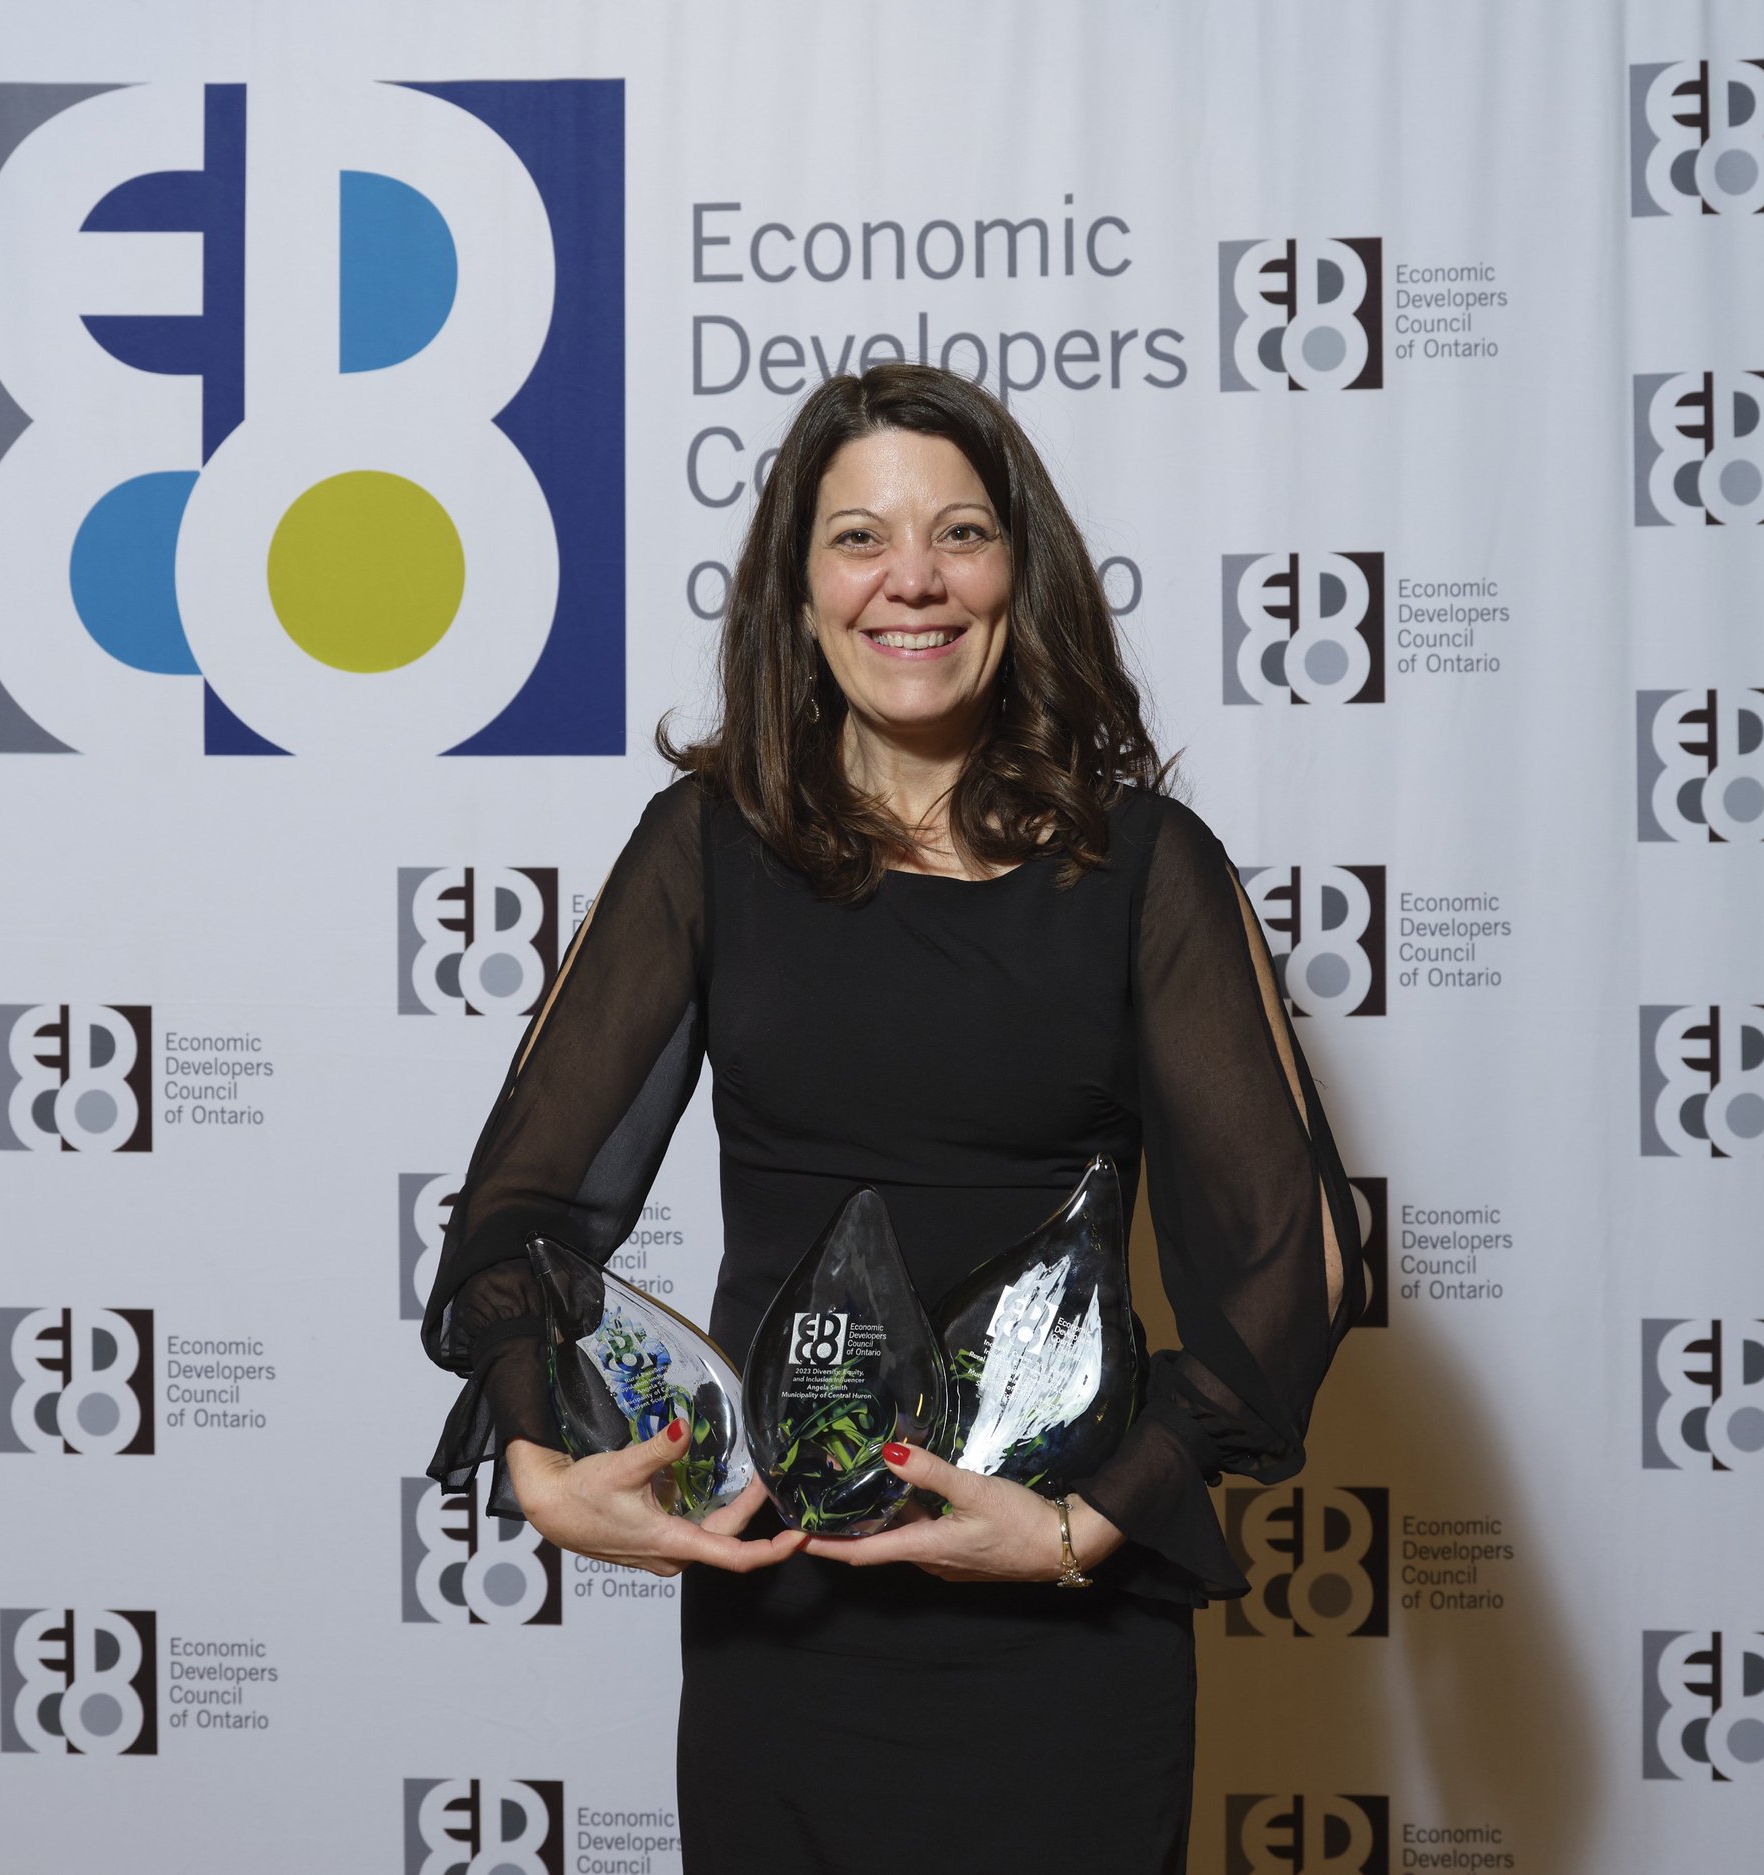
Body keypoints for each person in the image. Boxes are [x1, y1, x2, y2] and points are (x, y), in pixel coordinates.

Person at [420, 363, 1357, 1874]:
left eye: (960, 535)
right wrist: (536, 1452)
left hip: (1062, 1638)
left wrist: (1085, 1529)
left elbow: (1290, 1261)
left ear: (1019, 575)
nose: (909, 580)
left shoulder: (1146, 871)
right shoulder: (704, 849)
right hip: (789, 1623)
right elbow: (522, 1205)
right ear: (796, 593)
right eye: (858, 538)